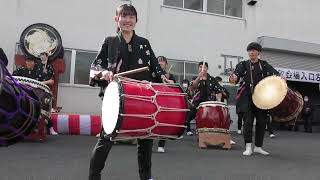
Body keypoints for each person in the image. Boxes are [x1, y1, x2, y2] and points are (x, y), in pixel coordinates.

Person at [88, 4, 170, 180]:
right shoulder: (110, 42)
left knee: (146, 139)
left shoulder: (144, 44)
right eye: (123, 16)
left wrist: (164, 79)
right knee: (106, 139)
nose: (127, 20)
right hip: (116, 98)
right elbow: (95, 68)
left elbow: (155, 68)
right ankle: (94, 176)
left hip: (143, 97)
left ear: (136, 21)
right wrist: (104, 72)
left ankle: (146, 177)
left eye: (131, 17)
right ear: (116, 19)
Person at [229, 42, 280, 156]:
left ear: (258, 52)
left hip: (262, 98)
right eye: (250, 50)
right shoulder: (243, 65)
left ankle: (258, 147)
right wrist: (233, 77)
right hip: (247, 97)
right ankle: (248, 147)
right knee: (248, 122)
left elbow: (275, 75)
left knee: (262, 122)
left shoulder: (264, 65)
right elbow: (234, 80)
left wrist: (281, 77)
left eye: (254, 50)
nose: (251, 52)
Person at [12, 55, 58, 136]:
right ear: (25, 62)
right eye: (27, 61)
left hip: (37, 96)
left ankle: (50, 128)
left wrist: (40, 83)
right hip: (22, 96)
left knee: (43, 107)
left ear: (34, 62)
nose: (29, 63)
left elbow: (51, 81)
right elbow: (12, 79)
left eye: (31, 61)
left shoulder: (40, 71)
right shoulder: (20, 71)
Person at [187, 61, 223, 136]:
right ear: (198, 68)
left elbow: (219, 90)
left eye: (204, 67)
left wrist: (219, 102)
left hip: (208, 102)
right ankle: (187, 129)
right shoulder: (195, 78)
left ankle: (205, 132)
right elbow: (192, 87)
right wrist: (198, 77)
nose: (202, 68)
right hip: (197, 102)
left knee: (207, 118)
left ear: (207, 68)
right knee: (189, 116)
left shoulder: (212, 79)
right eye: (200, 67)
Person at [156, 56, 175, 153]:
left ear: (166, 64)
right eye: (158, 61)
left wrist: (170, 82)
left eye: (162, 61)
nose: (160, 63)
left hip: (165, 101)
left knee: (163, 122)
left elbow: (175, 87)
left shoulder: (170, 75)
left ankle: (161, 145)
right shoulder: (153, 73)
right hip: (154, 100)